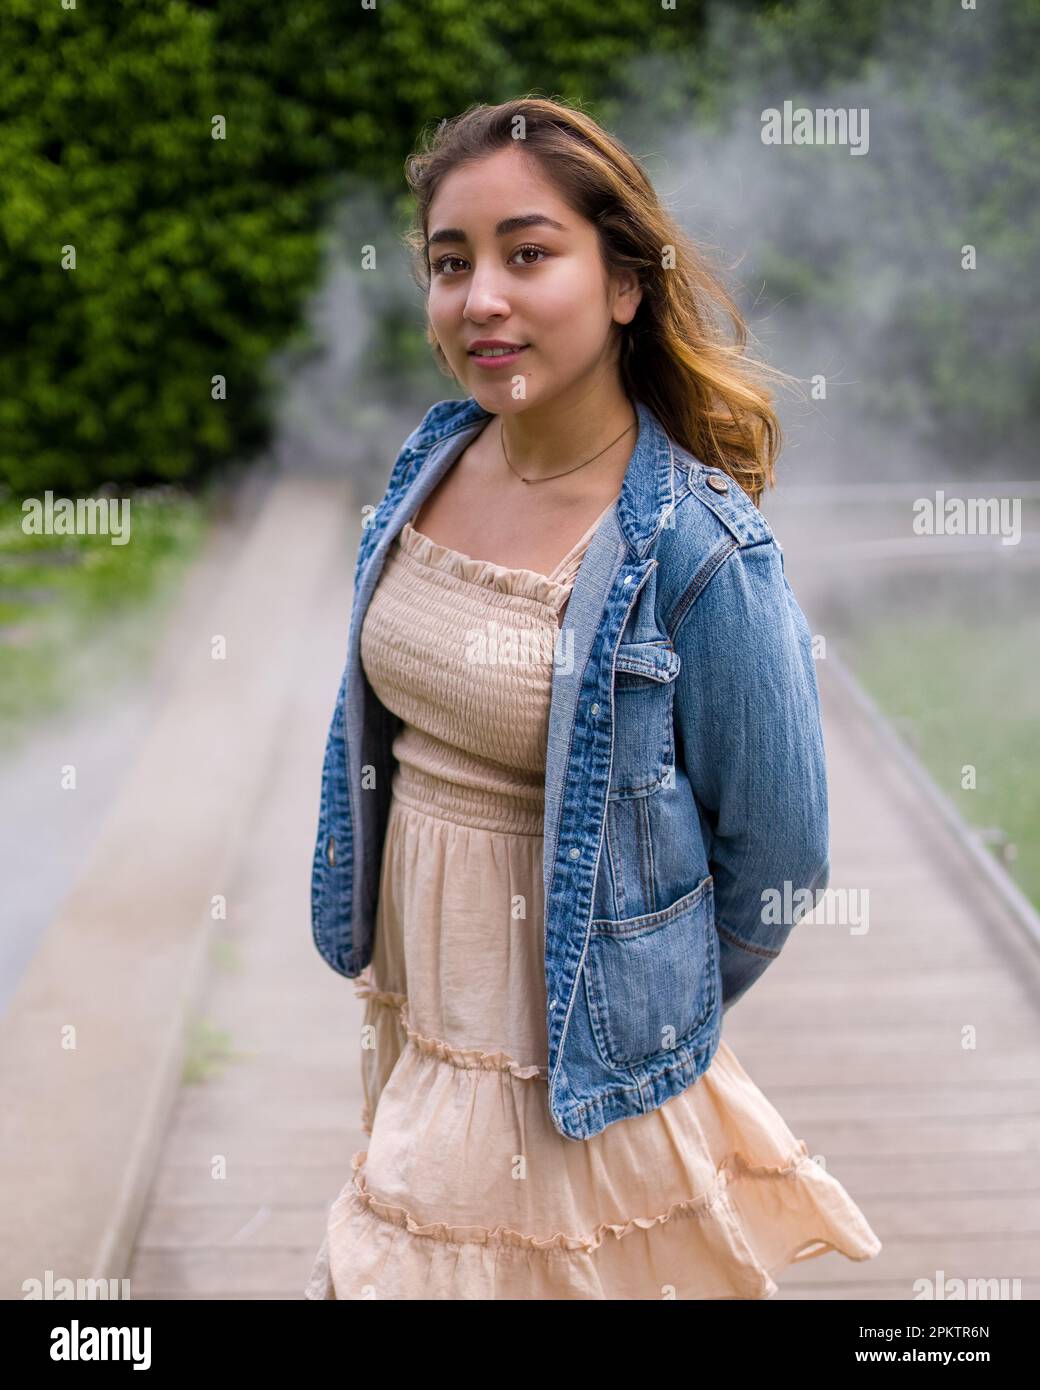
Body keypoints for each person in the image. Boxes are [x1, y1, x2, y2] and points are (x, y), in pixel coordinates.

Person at [305, 96, 882, 1300]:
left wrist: (633, 1000)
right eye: (449, 264)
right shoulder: (433, 457)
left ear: (624, 283)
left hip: (570, 1076)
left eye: (527, 254)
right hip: (423, 1021)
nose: (480, 301)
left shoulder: (701, 552)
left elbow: (781, 850)